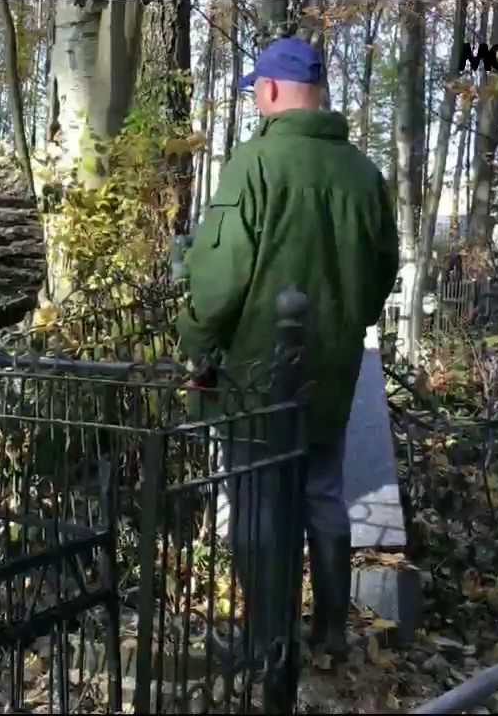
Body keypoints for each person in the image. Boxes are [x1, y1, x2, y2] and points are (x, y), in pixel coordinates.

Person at [175, 37, 399, 660]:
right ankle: (329, 631)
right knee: (322, 491)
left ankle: (267, 640)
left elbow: (219, 281)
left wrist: (196, 342)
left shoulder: (256, 163)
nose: (254, 100)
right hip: (331, 366)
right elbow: (384, 269)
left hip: (256, 368)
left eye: (254, 90)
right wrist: (346, 321)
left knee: (256, 500)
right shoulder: (363, 172)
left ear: (270, 90)